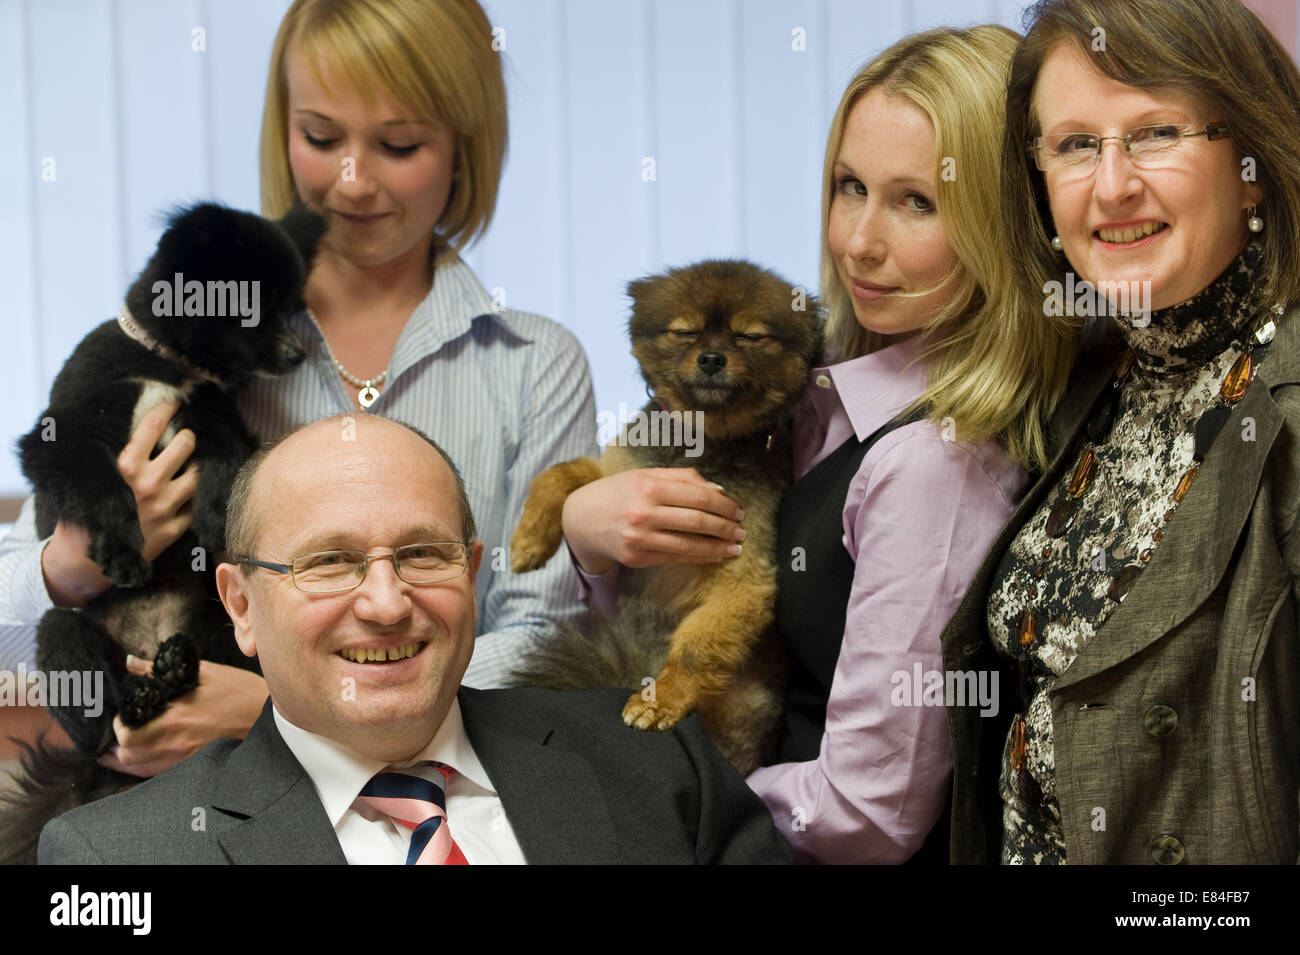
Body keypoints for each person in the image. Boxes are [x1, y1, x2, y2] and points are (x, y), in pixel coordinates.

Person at [0, 0, 595, 777]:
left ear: (465, 148)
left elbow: (544, 638)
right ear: (282, 129)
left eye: (399, 143)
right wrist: (77, 562)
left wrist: (292, 714)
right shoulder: (199, 345)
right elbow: (16, 629)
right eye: (320, 136)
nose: (353, 180)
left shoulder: (532, 364)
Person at [560, 26, 1077, 863]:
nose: (861, 240)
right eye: (849, 186)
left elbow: (868, 812)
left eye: (919, 202)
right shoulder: (824, 382)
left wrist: (678, 794)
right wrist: (595, 537)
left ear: (1002, 220)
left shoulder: (932, 464)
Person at [36, 415, 791, 864]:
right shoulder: (119, 859)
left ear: (469, 572)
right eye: (329, 562)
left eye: (422, 554)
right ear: (240, 604)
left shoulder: (661, 766)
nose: (387, 602)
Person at [939, 0, 1300, 864]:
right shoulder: (1085, 387)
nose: (1111, 186)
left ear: (1253, 161)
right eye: (1073, 145)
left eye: (1156, 133)